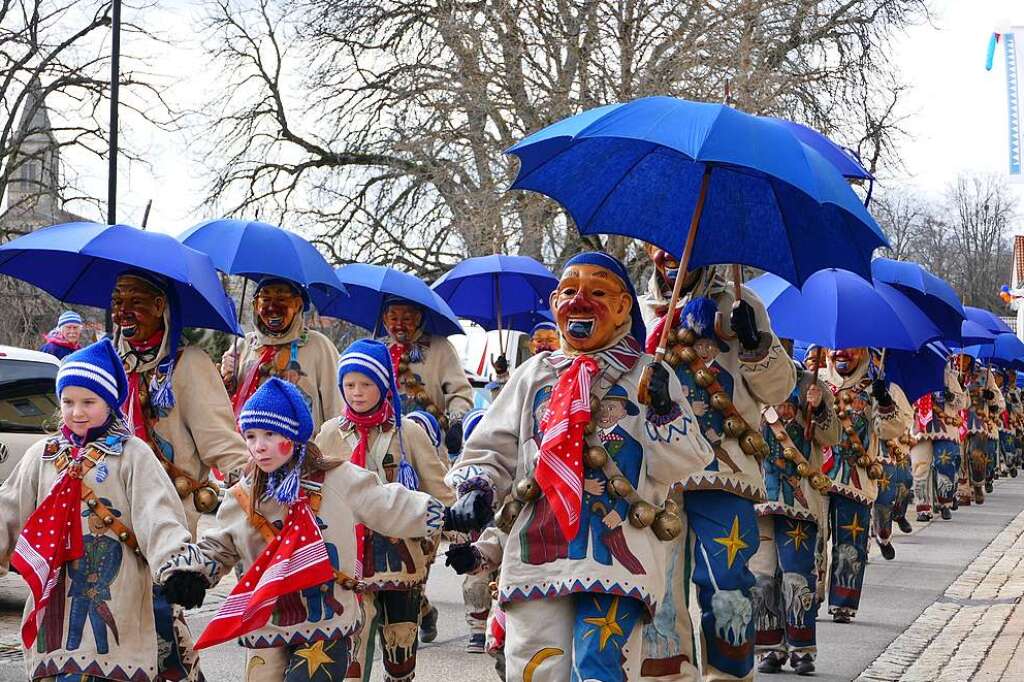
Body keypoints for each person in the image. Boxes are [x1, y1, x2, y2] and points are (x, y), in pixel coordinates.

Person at [447, 251, 715, 682]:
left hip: (617, 553)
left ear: (624, 306)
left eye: (598, 292)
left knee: (600, 664)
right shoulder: (534, 373)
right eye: (569, 291)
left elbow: (681, 465)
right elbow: (492, 447)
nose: (580, 301)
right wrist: (477, 489)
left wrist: (664, 408)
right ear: (554, 303)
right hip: (539, 548)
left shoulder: (648, 375)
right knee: (537, 665)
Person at [185, 377, 446, 681]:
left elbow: (386, 502)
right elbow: (222, 544)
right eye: (251, 436)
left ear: (294, 435)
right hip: (268, 620)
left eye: (270, 434)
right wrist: (194, 573)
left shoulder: (337, 479)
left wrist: (445, 516)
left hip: (325, 622)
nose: (260, 446)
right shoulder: (244, 495)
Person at [0, 339, 209, 682]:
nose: (76, 411)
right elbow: (9, 508)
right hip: (56, 596)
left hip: (118, 593)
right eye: (67, 401)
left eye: (88, 402)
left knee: (109, 660)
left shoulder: (132, 455)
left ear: (110, 403)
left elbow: (158, 515)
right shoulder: (44, 455)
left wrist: (178, 566)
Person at [638, 247, 796, 682]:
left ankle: (728, 676)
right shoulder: (639, 311)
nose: (668, 256)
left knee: (728, 585)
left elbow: (779, 391)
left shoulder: (743, 304)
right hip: (659, 473)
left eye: (678, 250)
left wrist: (755, 344)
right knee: (660, 590)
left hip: (725, 471)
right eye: (658, 248)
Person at [109, 270, 250, 678]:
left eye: (135, 300)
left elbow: (223, 442)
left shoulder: (189, 365)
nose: (123, 310)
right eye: (118, 300)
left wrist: (260, 488)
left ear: (160, 307)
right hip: (112, 515)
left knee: (159, 617)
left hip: (168, 515)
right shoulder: (109, 363)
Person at [314, 339, 457, 682]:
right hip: (348, 562)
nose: (357, 393)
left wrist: (459, 531)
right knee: (350, 650)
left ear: (384, 385)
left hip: (401, 559)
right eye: (349, 385)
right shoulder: (331, 433)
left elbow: (438, 490)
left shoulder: (408, 433)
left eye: (366, 384)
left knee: (400, 650)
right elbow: (312, 489)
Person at [752, 361, 839, 676]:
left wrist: (818, 408)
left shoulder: (813, 384)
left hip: (801, 499)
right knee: (762, 576)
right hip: (761, 497)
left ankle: (802, 648)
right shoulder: (753, 379)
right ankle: (770, 648)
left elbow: (832, 437)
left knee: (796, 574)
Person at [820, 347, 911, 623]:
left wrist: (884, 399)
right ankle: (807, 598)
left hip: (855, 479)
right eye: (835, 347)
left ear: (863, 351)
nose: (840, 352)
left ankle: (843, 602)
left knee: (850, 544)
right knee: (811, 541)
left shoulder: (874, 388)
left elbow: (891, 430)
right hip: (815, 479)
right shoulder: (815, 381)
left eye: (850, 345)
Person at [221, 277, 344, 432]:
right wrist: (226, 379)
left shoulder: (319, 346)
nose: (272, 307)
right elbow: (224, 409)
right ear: (255, 305)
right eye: (265, 299)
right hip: (248, 448)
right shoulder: (243, 345)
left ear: (298, 304)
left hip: (303, 451)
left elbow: (336, 407)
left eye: (281, 299)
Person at [378, 295, 474, 456]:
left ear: (418, 318)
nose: (399, 325)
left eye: (407, 319)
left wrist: (457, 423)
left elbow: (460, 392)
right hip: (386, 443)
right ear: (384, 320)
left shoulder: (440, 348)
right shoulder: (379, 349)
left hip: (430, 442)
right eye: (393, 318)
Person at [910, 363, 967, 522]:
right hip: (920, 427)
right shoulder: (912, 372)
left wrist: (951, 396)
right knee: (919, 467)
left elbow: (962, 402)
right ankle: (923, 507)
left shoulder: (948, 375)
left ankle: (945, 502)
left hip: (945, 428)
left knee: (945, 463)